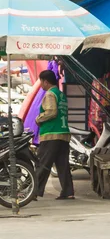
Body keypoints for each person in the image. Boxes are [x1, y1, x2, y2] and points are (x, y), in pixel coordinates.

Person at [36, 70, 74, 200]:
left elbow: (51, 112)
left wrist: (38, 119)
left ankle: (34, 191)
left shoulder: (50, 94)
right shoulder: (61, 95)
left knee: (43, 163)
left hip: (51, 134)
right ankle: (68, 191)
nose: (41, 84)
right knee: (63, 165)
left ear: (45, 81)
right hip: (63, 133)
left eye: (41, 81)